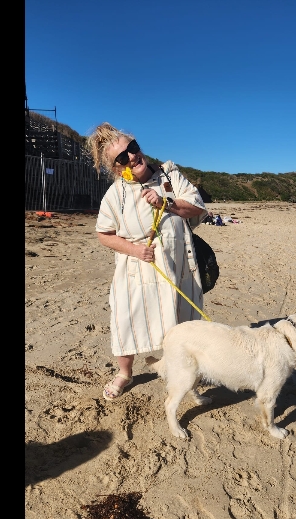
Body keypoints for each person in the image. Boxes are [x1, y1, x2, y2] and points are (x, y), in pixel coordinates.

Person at [88, 122, 208, 400]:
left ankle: (187, 375)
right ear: (117, 168)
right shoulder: (115, 195)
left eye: (133, 147)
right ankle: (125, 373)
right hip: (137, 269)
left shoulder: (170, 175)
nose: (132, 156)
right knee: (125, 320)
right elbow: (104, 234)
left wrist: (166, 202)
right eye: (122, 157)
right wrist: (134, 250)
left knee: (184, 324)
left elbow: (197, 208)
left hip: (178, 265)